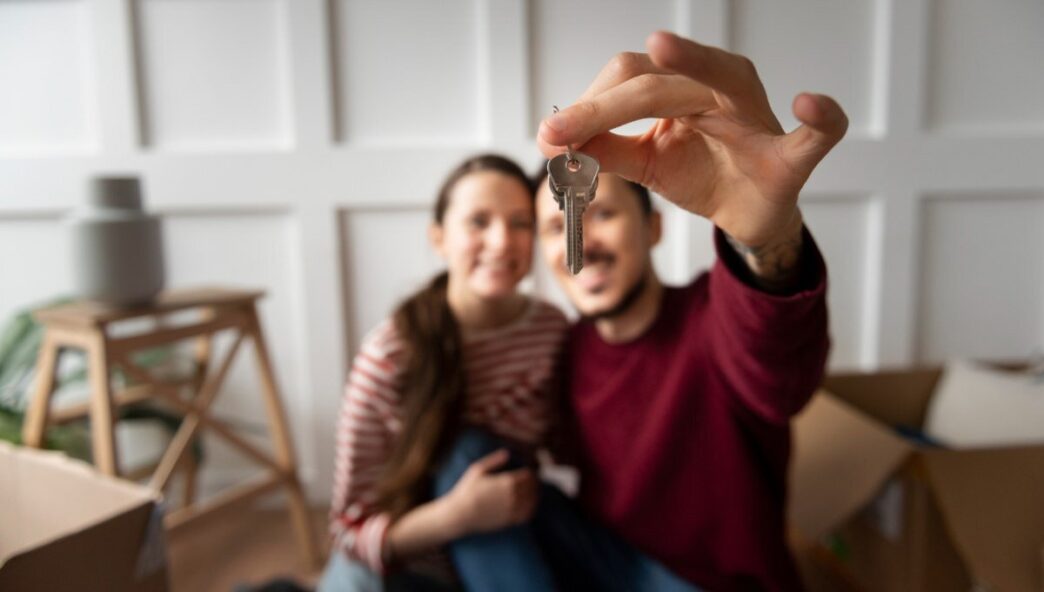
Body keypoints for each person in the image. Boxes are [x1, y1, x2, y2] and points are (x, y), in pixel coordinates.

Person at [530, 31, 848, 590]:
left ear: (653, 228)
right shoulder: (563, 350)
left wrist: (764, 240)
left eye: (604, 214)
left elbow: (780, 372)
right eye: (559, 226)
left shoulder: (713, 314)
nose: (582, 240)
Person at [319, 154, 571, 591]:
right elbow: (348, 532)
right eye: (478, 222)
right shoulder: (391, 355)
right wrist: (458, 516)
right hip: (407, 568)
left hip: (503, 549)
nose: (501, 242)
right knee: (466, 447)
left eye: (520, 223)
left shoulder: (551, 331)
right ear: (439, 239)